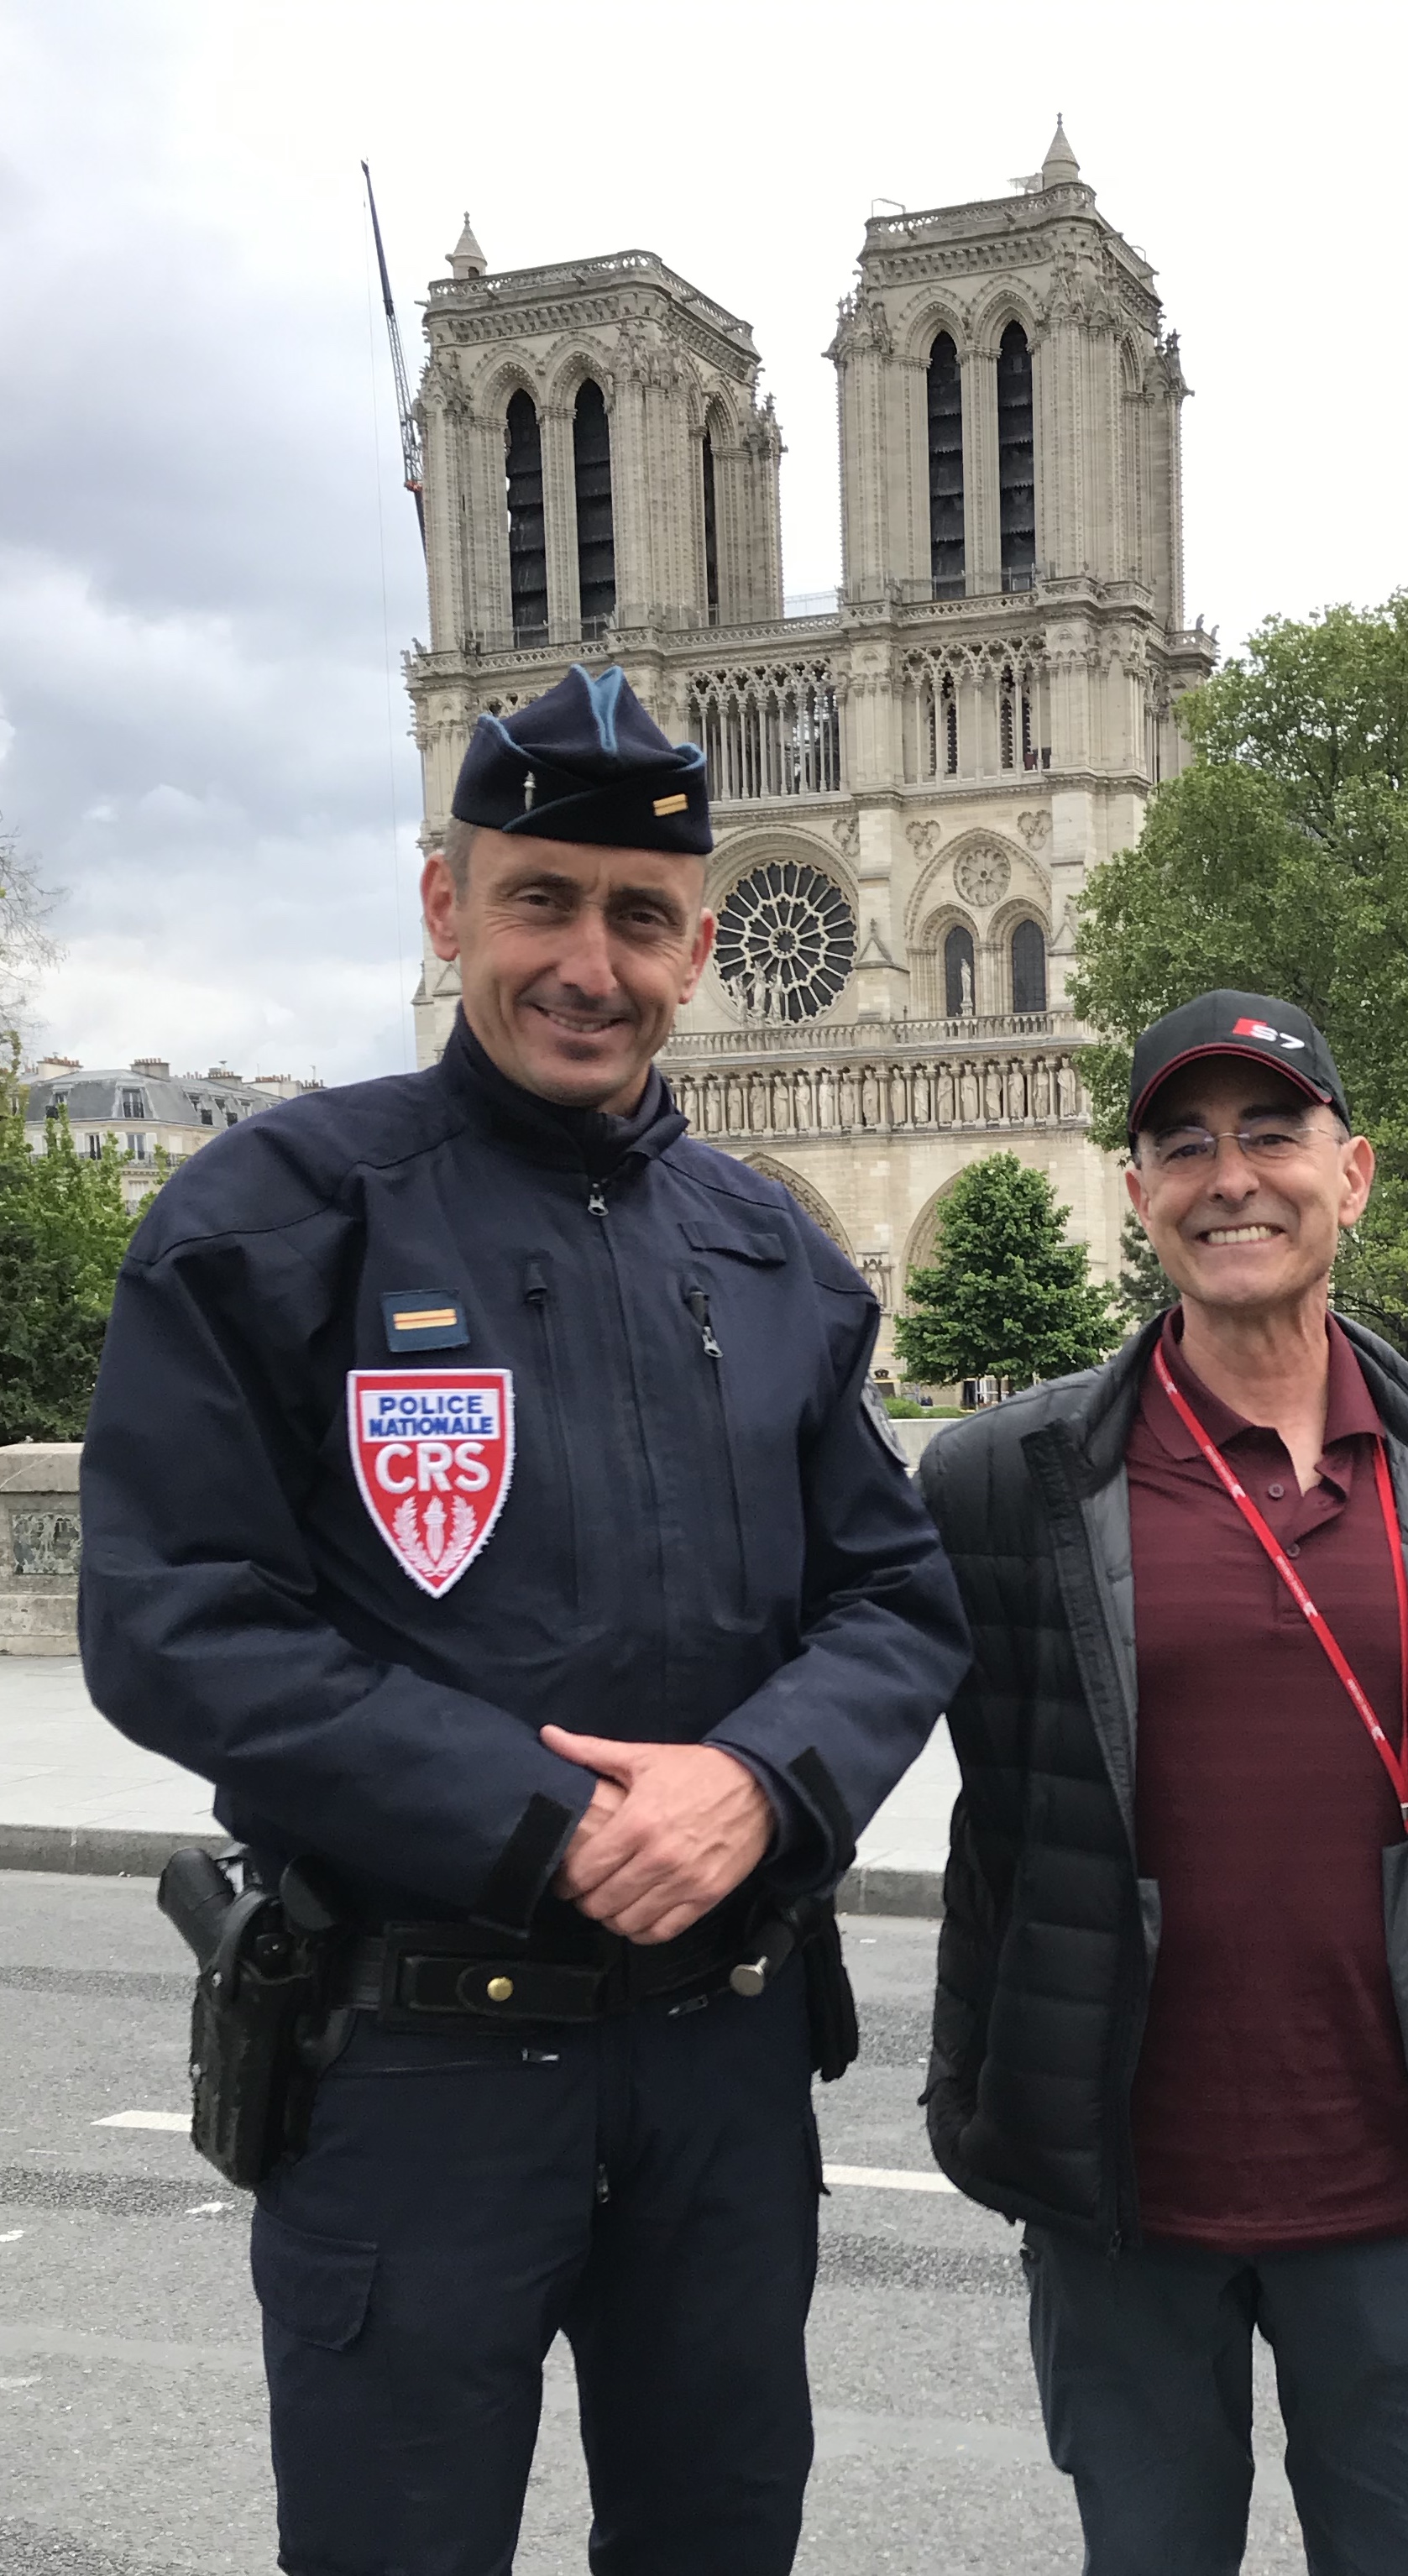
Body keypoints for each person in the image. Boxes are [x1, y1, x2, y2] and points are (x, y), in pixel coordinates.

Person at [78, 664, 971, 2575]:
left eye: (638, 917)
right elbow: (173, 1620)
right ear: (443, 905)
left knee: (718, 2538)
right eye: (538, 900)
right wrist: (535, 1812)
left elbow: (894, 1591)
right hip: (415, 2066)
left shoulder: (770, 1250)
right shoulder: (277, 1216)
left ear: (699, 945)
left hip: (721, 2065)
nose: (589, 960)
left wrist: (760, 1780)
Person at [916, 990, 1408, 2575]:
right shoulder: (1002, 1479)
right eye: (1182, 1145)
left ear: (1354, 1175)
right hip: (1119, 2184)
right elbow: (966, 1796)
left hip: (1402, 2176)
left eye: (1273, 1133)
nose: (1230, 1177)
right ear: (1136, 1196)